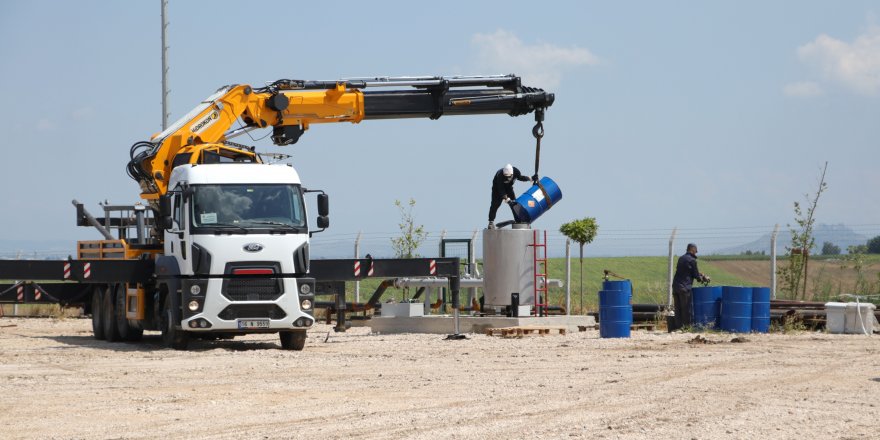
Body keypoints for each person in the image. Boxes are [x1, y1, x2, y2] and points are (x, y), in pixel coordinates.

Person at [670, 243, 710, 331]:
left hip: (676, 287)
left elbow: (686, 271)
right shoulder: (692, 260)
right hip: (685, 288)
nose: (696, 253)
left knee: (678, 308)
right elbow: (695, 275)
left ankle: (678, 327)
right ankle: (686, 328)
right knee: (686, 309)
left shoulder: (681, 258)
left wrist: (700, 274)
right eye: (696, 251)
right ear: (692, 250)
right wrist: (703, 278)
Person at [487, 163, 534, 229]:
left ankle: (518, 219)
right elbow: (501, 190)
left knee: (514, 204)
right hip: (497, 189)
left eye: (509, 177)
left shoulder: (516, 171)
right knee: (495, 204)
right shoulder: (500, 176)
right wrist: (506, 199)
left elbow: (520, 177)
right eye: (506, 177)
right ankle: (491, 222)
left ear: (512, 174)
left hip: (509, 188)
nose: (507, 178)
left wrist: (530, 178)